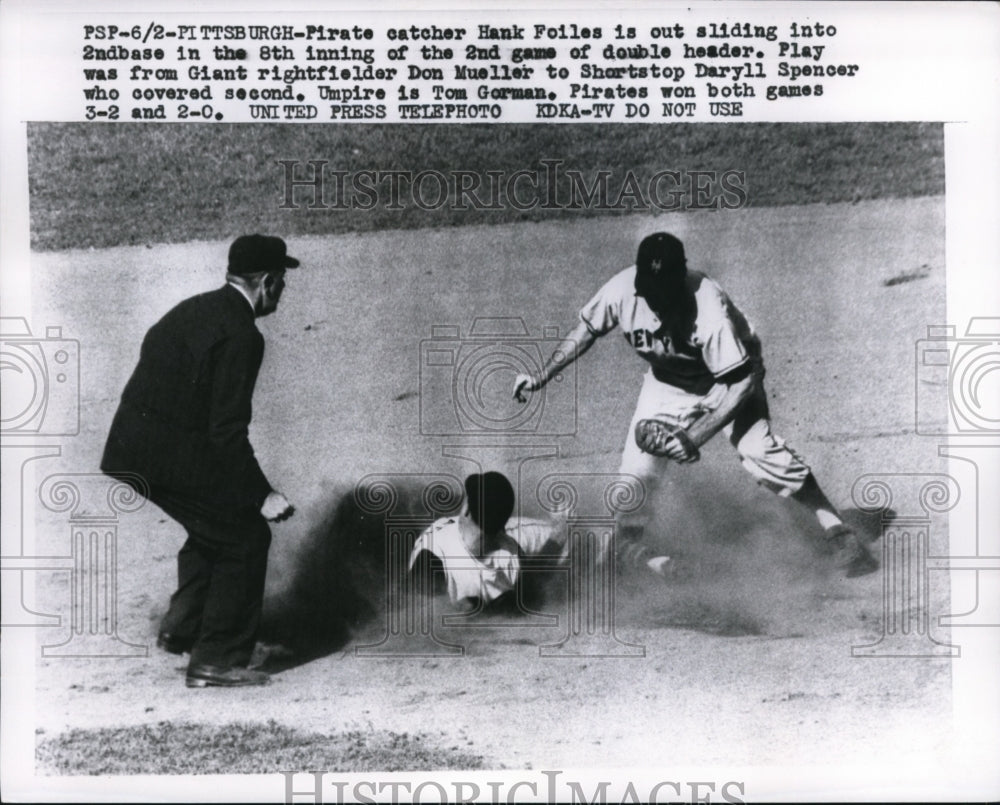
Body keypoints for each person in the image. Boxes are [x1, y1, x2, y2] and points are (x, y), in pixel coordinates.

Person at [513, 232, 877, 578]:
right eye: (648, 290)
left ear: (680, 278)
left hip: (728, 381)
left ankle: (837, 528)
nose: (653, 299)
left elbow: (741, 382)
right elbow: (586, 330)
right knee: (634, 483)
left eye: (662, 291)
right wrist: (541, 375)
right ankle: (632, 556)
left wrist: (693, 436)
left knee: (761, 453)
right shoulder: (623, 289)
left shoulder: (707, 308)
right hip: (666, 385)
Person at [101, 234, 299, 687]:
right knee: (244, 536)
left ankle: (182, 629)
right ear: (267, 282)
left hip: (131, 448)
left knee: (214, 522)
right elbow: (226, 431)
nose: (283, 290)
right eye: (282, 281)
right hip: (169, 454)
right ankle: (217, 659)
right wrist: (261, 493)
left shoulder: (194, 308)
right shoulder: (243, 336)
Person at [408, 472, 567, 613]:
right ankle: (562, 525)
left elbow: (532, 590)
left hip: (512, 540)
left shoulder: (511, 551)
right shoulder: (433, 554)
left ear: (466, 510)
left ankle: (562, 526)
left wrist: (557, 537)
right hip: (499, 542)